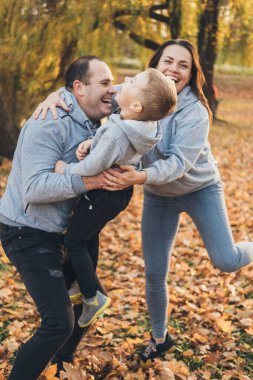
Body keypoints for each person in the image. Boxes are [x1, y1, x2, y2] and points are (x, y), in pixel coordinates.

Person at [35, 39, 253, 364]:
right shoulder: (141, 89)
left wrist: (137, 177)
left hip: (199, 189)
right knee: (154, 272)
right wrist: (59, 94)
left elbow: (179, 165)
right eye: (168, 61)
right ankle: (160, 338)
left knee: (225, 259)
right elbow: (97, 90)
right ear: (156, 64)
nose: (173, 69)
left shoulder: (196, 112)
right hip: (158, 196)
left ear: (192, 74)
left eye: (183, 65)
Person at [0, 55, 117, 380]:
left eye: (113, 82)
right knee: (58, 321)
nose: (113, 90)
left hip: (64, 233)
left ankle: (59, 363)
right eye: (105, 83)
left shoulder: (96, 111)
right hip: (27, 232)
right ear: (78, 88)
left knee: (91, 301)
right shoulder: (49, 122)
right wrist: (91, 181)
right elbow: (34, 188)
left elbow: (139, 95)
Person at [54, 68, 177, 329]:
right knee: (89, 234)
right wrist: (92, 142)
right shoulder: (143, 121)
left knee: (74, 240)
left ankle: (91, 296)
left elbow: (92, 167)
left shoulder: (119, 133)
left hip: (102, 192)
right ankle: (78, 282)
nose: (124, 83)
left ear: (135, 104)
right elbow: (109, 146)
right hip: (119, 193)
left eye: (132, 82)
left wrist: (66, 170)